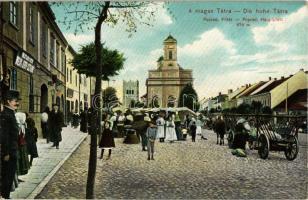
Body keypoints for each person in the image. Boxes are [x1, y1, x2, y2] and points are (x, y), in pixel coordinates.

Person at [1, 90, 21, 199]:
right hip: (9, 151)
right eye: (15, 101)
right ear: (8, 101)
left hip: (13, 149)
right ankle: (5, 195)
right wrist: (6, 152)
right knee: (8, 173)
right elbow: (4, 136)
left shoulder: (10, 112)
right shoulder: (6, 114)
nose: (17, 103)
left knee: (10, 173)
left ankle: (6, 194)